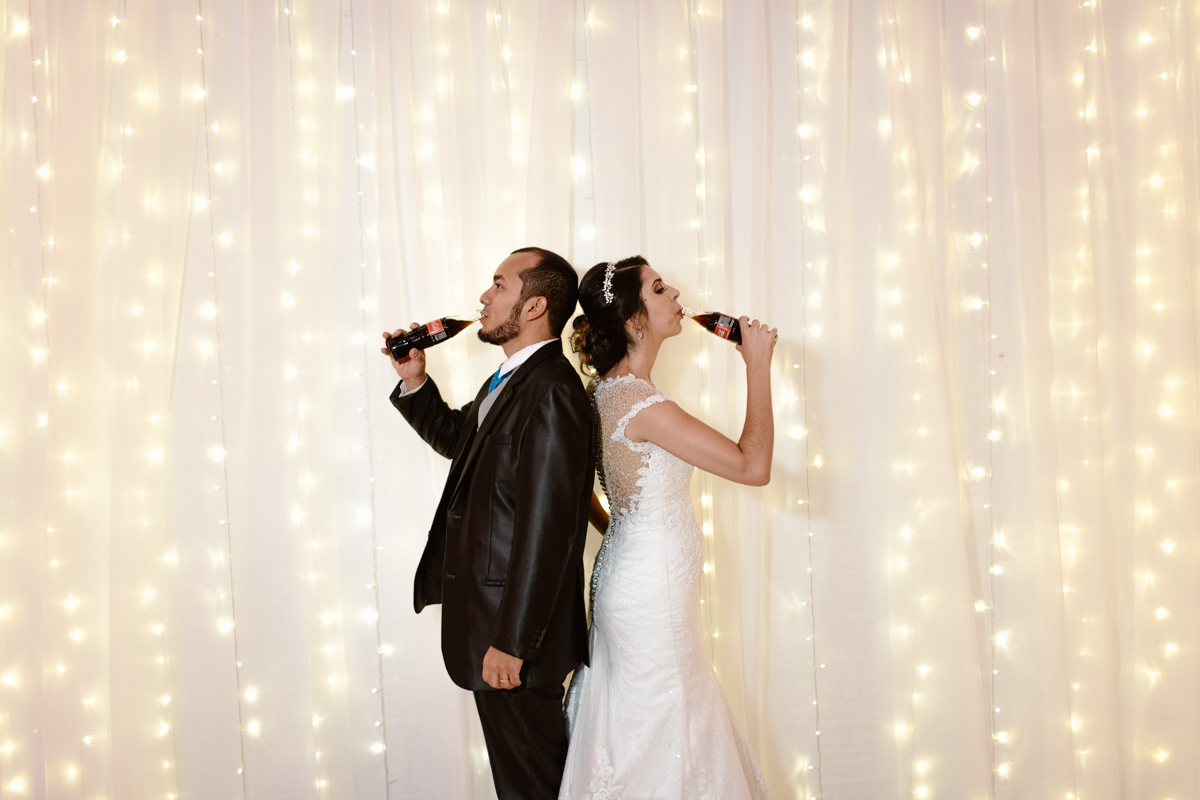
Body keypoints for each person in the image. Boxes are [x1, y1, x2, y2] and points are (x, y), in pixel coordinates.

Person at [383, 247, 598, 800]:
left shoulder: (552, 390)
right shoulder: (512, 378)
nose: (484, 296)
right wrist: (414, 381)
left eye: (498, 285)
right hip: (495, 633)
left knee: (533, 789)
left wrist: (513, 641)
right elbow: (463, 443)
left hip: (516, 644)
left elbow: (549, 533)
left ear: (534, 307)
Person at [558, 256, 776, 799]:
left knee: (643, 713)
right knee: (668, 711)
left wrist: (626, 528)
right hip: (651, 591)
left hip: (629, 578)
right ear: (635, 318)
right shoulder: (640, 402)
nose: (675, 290)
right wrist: (757, 365)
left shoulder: (604, 393)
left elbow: (578, 487)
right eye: (658, 288)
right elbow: (753, 466)